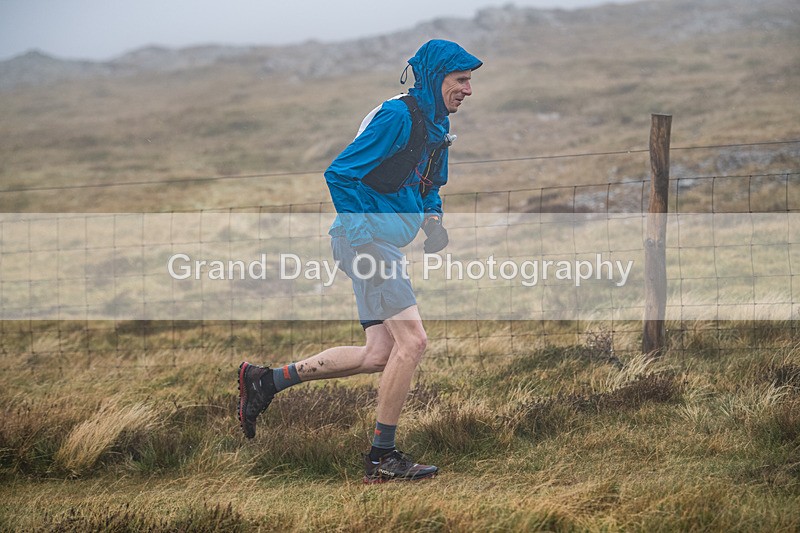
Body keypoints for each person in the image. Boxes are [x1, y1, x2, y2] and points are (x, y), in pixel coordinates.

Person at [238, 39, 482, 484]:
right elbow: (340, 173)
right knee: (413, 343)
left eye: (470, 81)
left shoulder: (437, 124)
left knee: (378, 353)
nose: (468, 89)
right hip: (366, 243)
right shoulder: (398, 116)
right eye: (461, 80)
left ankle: (266, 381)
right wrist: (363, 238)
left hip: (379, 243)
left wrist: (433, 221)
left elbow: (430, 184)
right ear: (435, 77)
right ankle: (381, 458)